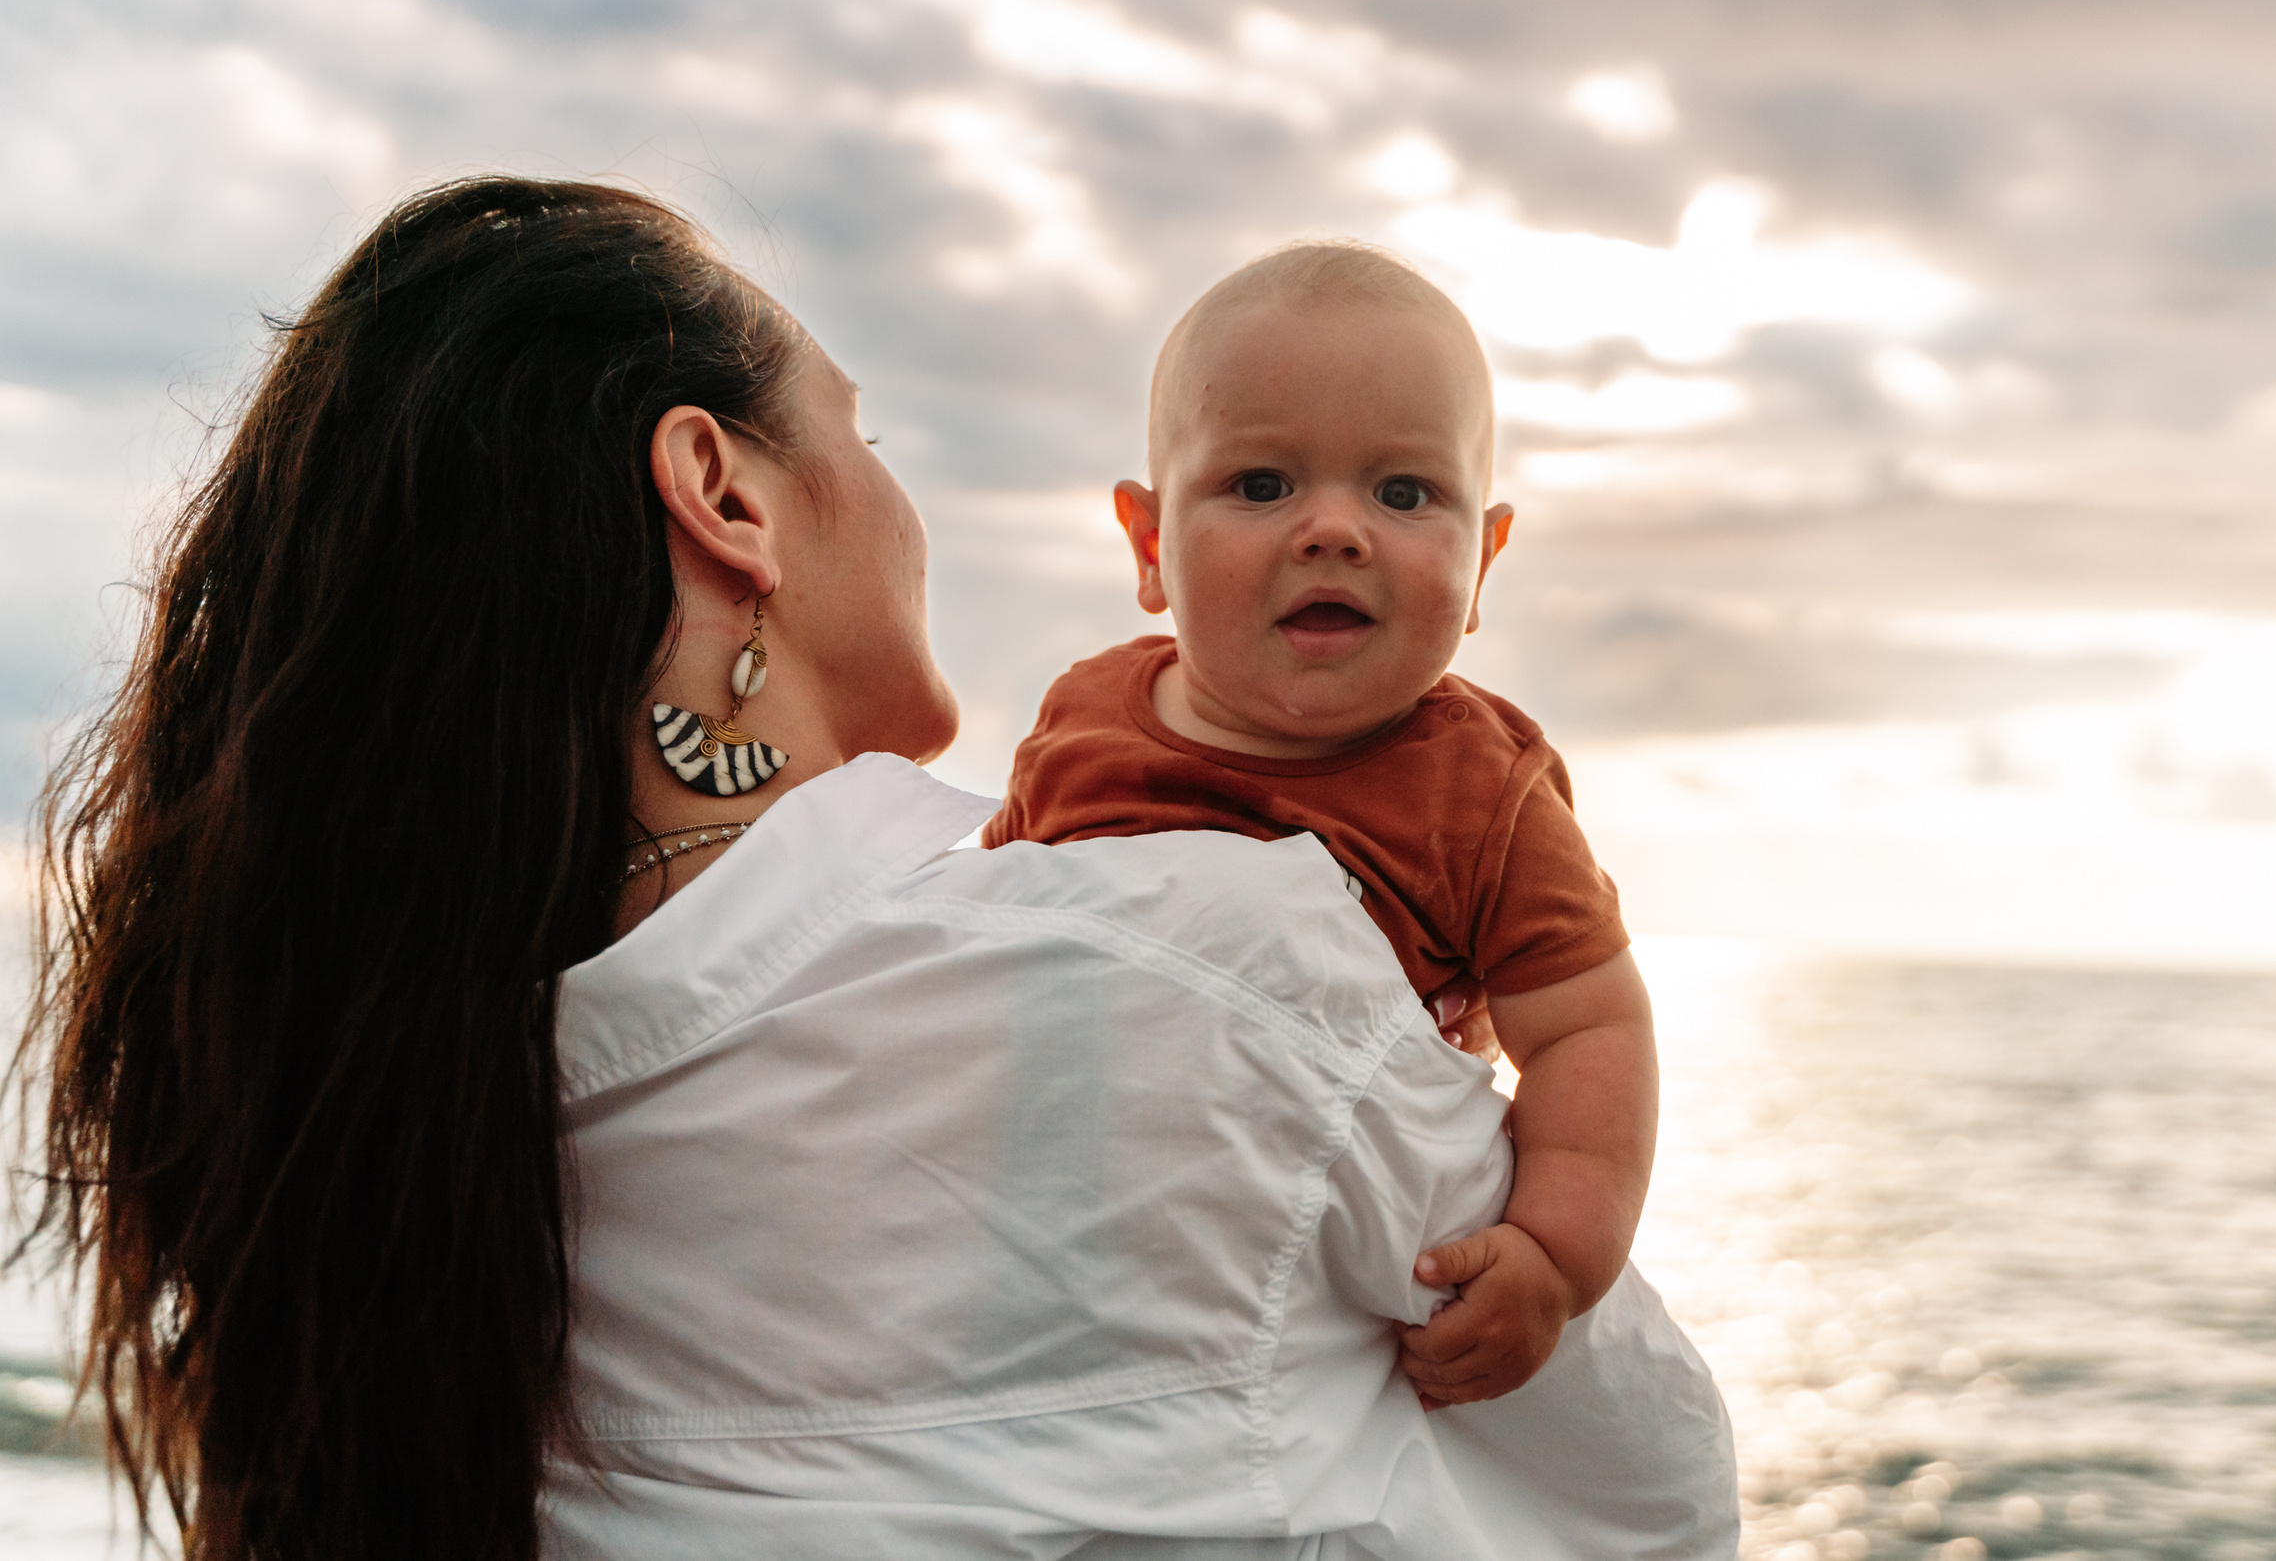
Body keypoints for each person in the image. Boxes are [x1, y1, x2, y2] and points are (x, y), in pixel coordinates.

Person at [17, 177, 1736, 1559]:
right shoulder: (1230, 958)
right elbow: (1640, 1489)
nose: (902, 500)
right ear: (725, 493)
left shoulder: (414, 1127)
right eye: (867, 429)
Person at [987, 242, 1654, 1408]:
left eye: (1403, 494)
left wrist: (1554, 1254)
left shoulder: (1480, 791)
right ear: (1149, 546)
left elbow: (1588, 1031)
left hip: (1329, 1286)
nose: (1333, 530)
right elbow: (979, 943)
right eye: (1260, 487)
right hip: (1073, 1250)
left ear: (1483, 560)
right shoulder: (1083, 724)